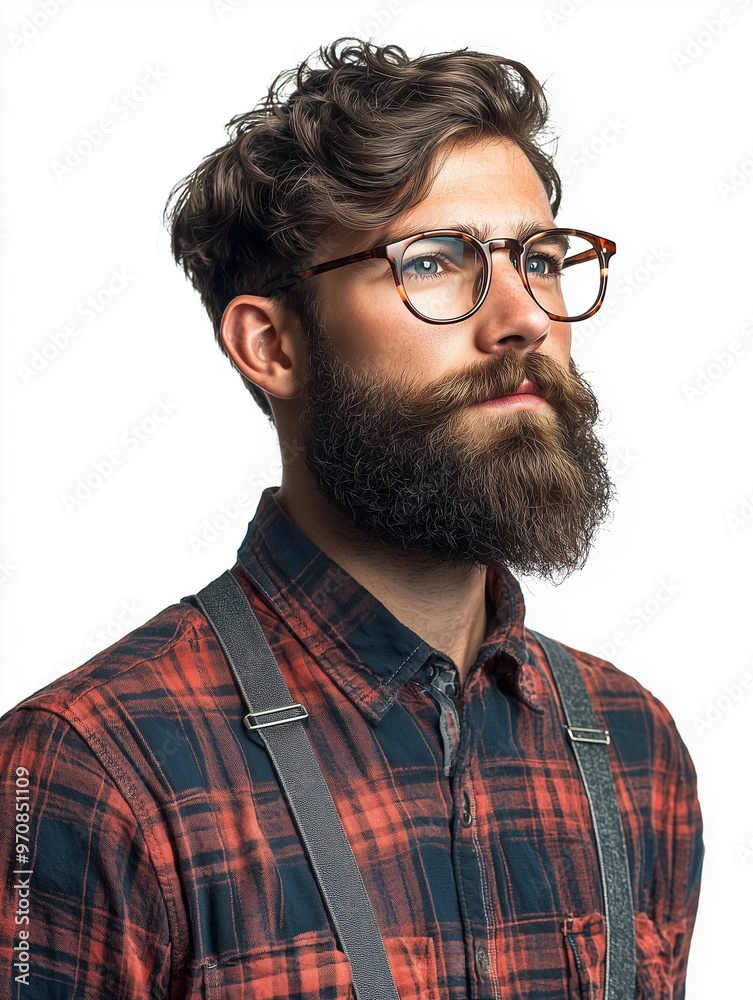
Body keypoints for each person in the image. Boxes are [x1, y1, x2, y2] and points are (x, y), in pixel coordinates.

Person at [0, 38, 702, 1000]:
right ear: (271, 343)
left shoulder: (633, 748)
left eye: (538, 258)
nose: (524, 317)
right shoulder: (90, 768)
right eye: (435, 261)